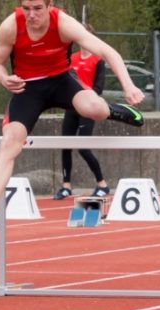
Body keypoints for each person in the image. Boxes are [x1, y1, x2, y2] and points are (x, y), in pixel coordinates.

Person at [0, 0, 146, 230]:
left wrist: (128, 86)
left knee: (94, 109)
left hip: (61, 81)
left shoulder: (64, 23)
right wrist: (4, 78)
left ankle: (116, 110)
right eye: (26, 9)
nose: (31, 15)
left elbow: (108, 52)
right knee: (10, 141)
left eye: (37, 9)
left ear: (50, 6)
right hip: (28, 89)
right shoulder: (11, 26)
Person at [54, 24, 109, 200]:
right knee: (65, 145)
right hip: (71, 108)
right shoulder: (71, 58)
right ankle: (66, 186)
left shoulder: (98, 60)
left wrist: (86, 97)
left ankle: (102, 184)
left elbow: (99, 87)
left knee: (83, 148)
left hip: (87, 108)